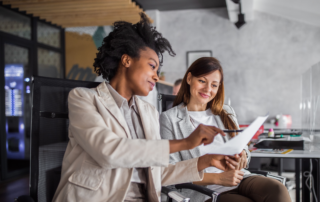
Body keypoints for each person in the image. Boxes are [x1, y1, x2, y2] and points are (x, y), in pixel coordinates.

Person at [52, 14, 234, 202]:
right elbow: (109, 152)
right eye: (152, 66)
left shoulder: (148, 112)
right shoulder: (83, 98)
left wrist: (206, 161)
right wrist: (185, 143)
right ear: (127, 60)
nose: (156, 76)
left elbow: (158, 173)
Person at [160, 57, 291, 202]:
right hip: (203, 190)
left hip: (238, 177)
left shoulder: (226, 112)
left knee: (277, 189)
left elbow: (244, 149)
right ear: (189, 78)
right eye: (202, 81)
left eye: (214, 85)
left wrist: (243, 158)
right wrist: (218, 178)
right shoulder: (169, 119)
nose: (208, 89)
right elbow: (169, 173)